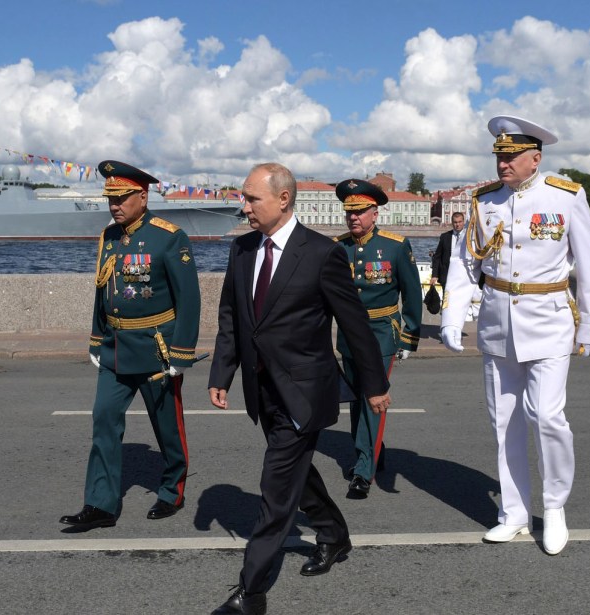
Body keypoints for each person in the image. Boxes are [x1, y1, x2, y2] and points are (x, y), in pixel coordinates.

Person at [208, 163, 391, 615]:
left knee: (275, 486)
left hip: (306, 390)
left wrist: (374, 385)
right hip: (260, 387)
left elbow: (354, 324)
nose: (244, 206)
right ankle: (334, 534)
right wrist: (221, 373)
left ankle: (251, 592)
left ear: (284, 199)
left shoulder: (322, 254)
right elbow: (233, 317)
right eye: (244, 198)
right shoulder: (242, 250)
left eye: (252, 199)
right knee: (294, 473)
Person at [440, 116, 590, 556]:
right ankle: (512, 513)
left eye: (512, 157)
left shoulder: (566, 197)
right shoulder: (484, 201)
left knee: (547, 417)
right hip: (497, 323)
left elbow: (588, 263)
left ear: (536, 158)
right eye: (499, 156)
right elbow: (463, 264)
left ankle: (554, 508)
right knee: (505, 421)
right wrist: (452, 318)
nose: (503, 164)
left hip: (549, 320)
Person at [60, 160, 201, 530]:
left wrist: (182, 353)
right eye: (110, 198)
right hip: (115, 347)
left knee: (167, 427)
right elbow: (102, 290)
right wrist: (95, 338)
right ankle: (101, 504)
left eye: (121, 197)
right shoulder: (108, 236)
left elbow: (189, 299)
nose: (114, 205)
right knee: (104, 419)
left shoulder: (169, 236)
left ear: (142, 195)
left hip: (156, 349)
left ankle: (172, 490)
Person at [334, 178, 422, 498]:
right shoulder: (338, 247)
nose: (353, 218)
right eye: (348, 212)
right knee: (358, 399)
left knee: (374, 400)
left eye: (359, 212)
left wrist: (409, 337)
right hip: (348, 335)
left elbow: (412, 295)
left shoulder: (396, 246)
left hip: (382, 332)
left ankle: (363, 469)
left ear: (375, 213)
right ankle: (373, 450)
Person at [429, 211, 466, 290]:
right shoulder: (445, 237)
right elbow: (437, 257)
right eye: (455, 222)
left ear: (463, 222)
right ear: (452, 223)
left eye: (460, 222)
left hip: (463, 276)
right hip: (447, 276)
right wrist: (434, 275)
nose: (457, 225)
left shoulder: (469, 237)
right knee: (446, 300)